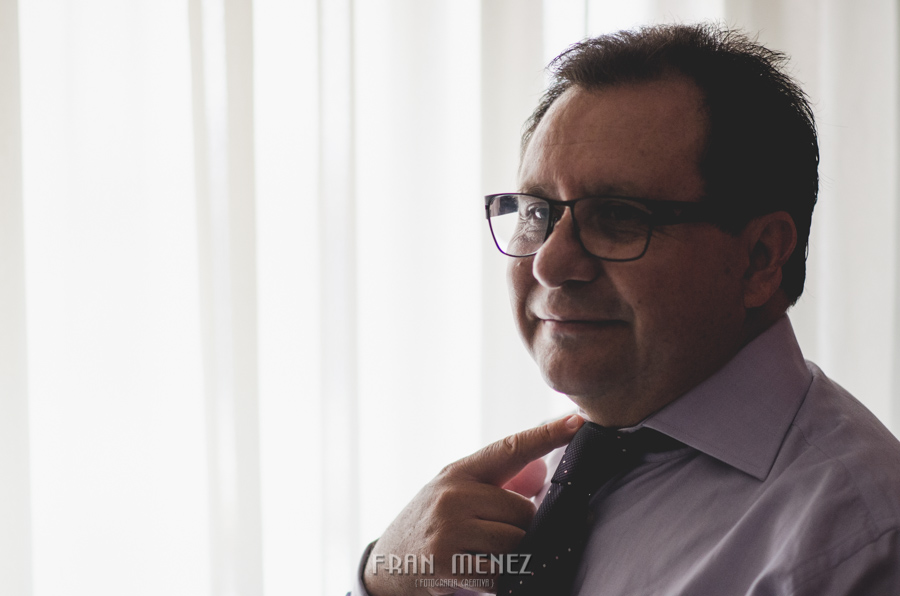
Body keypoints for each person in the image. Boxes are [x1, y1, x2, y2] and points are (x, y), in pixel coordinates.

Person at [352, 23, 900, 596]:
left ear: (760, 257)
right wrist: (384, 579)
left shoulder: (857, 542)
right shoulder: (544, 478)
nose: (548, 265)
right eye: (537, 212)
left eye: (617, 215)